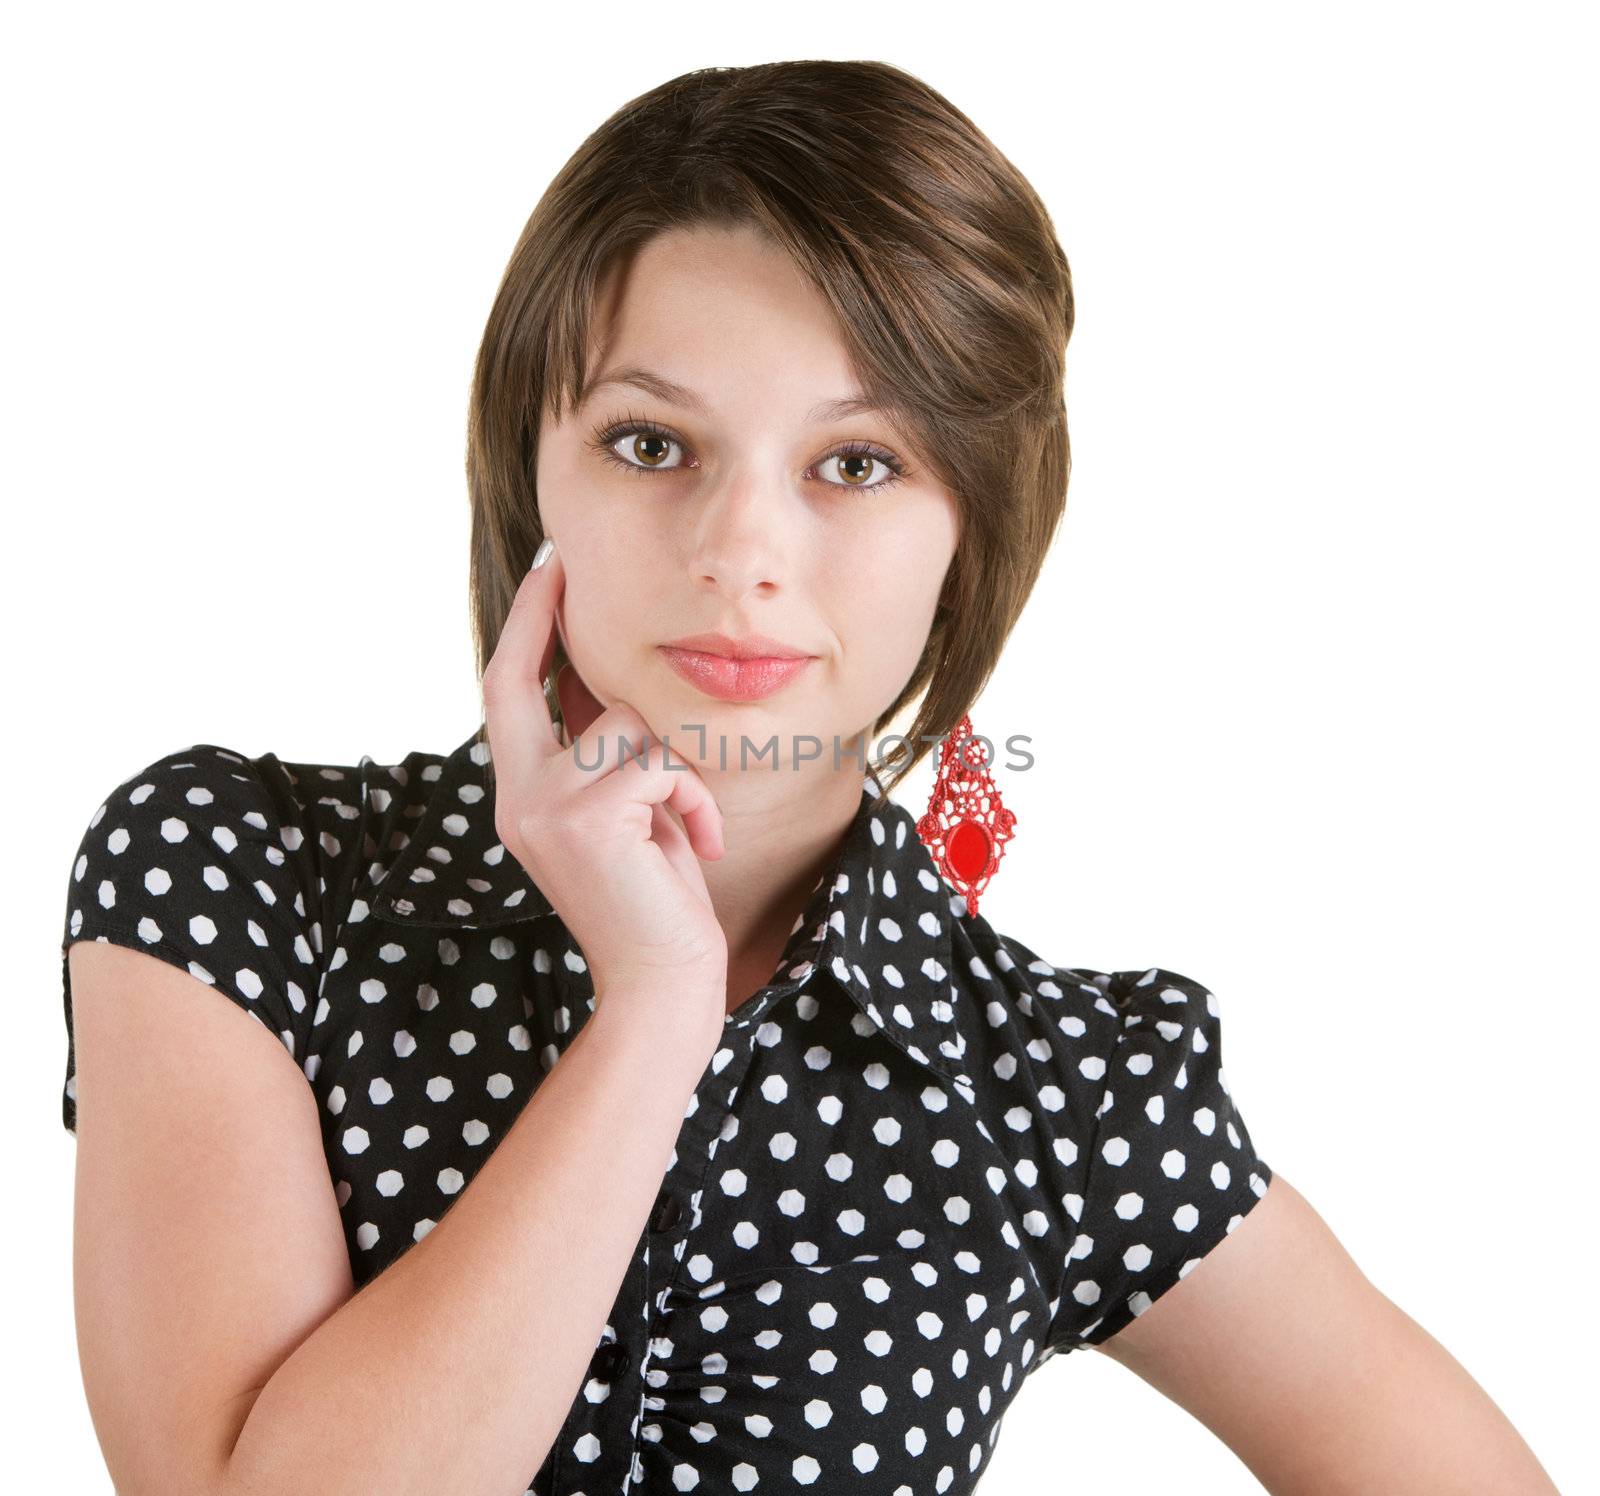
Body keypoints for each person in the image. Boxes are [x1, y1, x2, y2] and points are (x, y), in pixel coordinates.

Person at [59, 60, 1558, 1496]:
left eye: (856, 465)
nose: (741, 554)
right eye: (652, 442)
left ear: (974, 527)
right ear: (534, 469)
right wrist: (654, 1009)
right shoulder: (239, 876)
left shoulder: (1051, 1091)